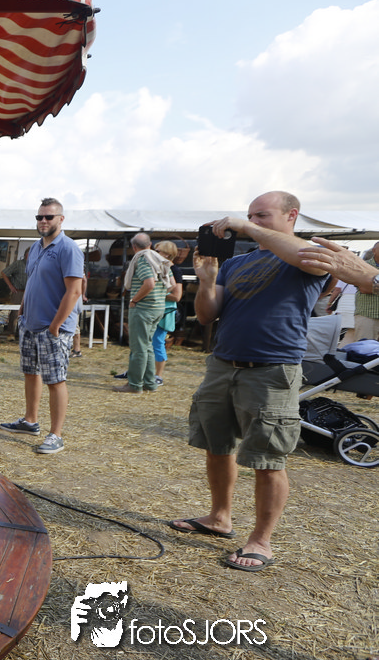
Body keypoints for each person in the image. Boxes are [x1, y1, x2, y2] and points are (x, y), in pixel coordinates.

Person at [168, 191, 327, 572]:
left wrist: (245, 227)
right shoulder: (237, 263)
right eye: (250, 216)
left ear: (292, 215)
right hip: (224, 364)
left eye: (262, 216)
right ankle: (219, 518)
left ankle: (261, 540)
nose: (252, 222)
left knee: (267, 458)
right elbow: (206, 316)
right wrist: (207, 282)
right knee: (216, 445)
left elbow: (308, 257)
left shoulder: (308, 254)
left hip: (272, 369)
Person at [0, 198, 84, 454]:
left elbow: (74, 291)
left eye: (49, 217)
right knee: (30, 372)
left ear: (61, 219)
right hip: (31, 323)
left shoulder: (68, 248)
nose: (43, 221)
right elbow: (33, 280)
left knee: (55, 380)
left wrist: (56, 326)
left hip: (52, 327)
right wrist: (23, 309)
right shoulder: (36, 247)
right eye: (40, 217)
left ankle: (56, 435)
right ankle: (30, 421)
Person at [114, 233, 170, 393]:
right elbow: (171, 284)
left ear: (133, 247)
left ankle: (134, 385)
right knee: (148, 346)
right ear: (150, 244)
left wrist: (135, 299)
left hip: (144, 309)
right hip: (157, 307)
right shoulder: (158, 258)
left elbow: (149, 283)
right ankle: (149, 383)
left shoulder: (143, 259)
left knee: (138, 348)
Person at [152, 240, 184, 383]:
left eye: (157, 251)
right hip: (155, 310)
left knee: (158, 341)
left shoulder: (174, 270)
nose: (155, 253)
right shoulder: (158, 267)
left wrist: (155, 293)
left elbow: (177, 296)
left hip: (166, 312)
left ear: (167, 253)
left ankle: (158, 376)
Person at [344, 240, 379, 345]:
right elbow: (364, 288)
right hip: (368, 314)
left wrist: (373, 285)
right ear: (374, 250)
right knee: (364, 347)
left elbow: (369, 287)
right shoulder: (363, 267)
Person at [0, 246, 30, 334]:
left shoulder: (35, 264)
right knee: (15, 313)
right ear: (27, 255)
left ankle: (20, 332)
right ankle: (11, 332)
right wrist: (11, 286)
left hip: (29, 293)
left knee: (27, 313)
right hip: (18, 292)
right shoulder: (18, 264)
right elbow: (4, 273)